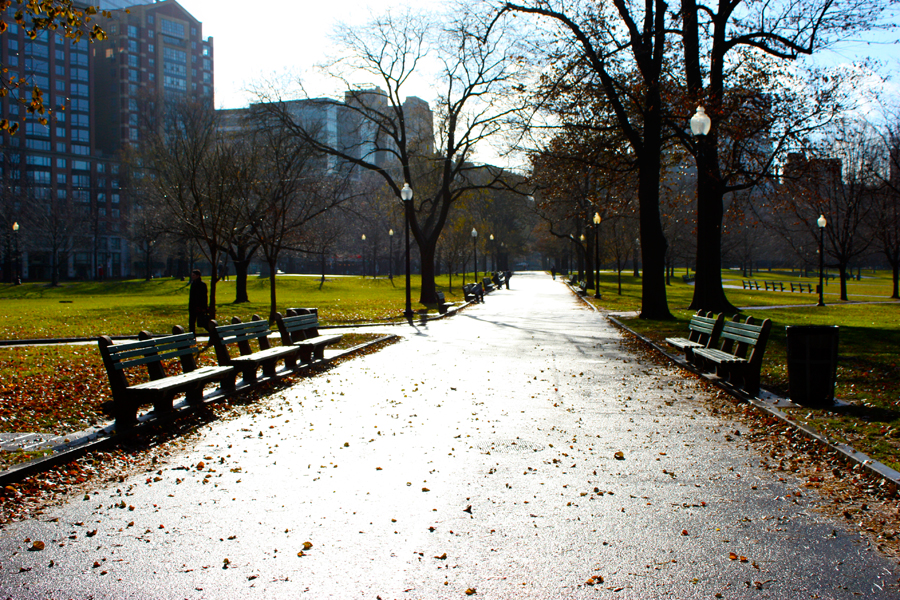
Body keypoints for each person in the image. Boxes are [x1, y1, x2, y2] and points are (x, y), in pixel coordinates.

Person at [189, 269, 208, 334]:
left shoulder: (202, 285)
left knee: (202, 322)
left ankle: (212, 332)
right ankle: (192, 336)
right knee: (191, 323)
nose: (192, 276)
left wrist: (204, 307)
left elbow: (204, 297)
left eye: (193, 275)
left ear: (198, 275)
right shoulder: (193, 284)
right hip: (193, 307)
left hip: (199, 307)